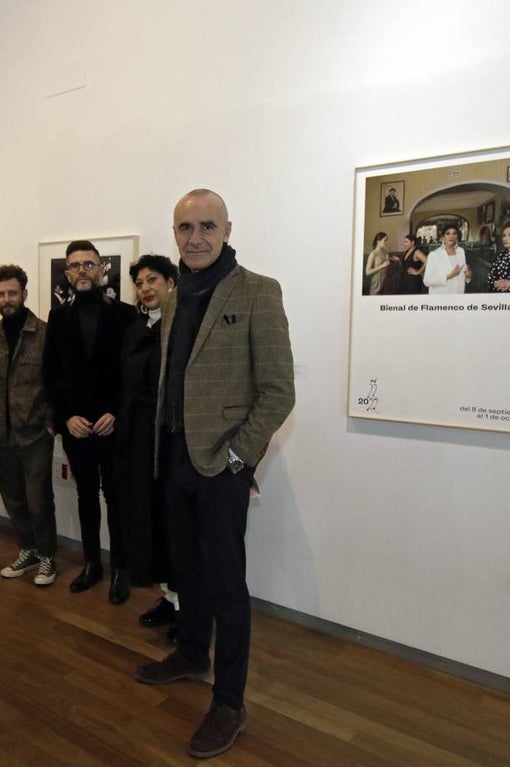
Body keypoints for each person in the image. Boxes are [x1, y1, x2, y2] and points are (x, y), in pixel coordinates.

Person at [134, 189, 294, 759]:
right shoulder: (176, 294)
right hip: (175, 460)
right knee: (186, 570)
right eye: (185, 228)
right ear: (174, 233)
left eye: (207, 226)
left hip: (220, 467)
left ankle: (229, 703)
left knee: (227, 587)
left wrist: (237, 459)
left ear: (227, 230)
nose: (195, 237)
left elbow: (278, 392)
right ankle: (190, 653)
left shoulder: (258, 291)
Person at [44, 241, 138, 602]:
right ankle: (91, 564)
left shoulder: (125, 315)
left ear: (101, 270)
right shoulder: (58, 318)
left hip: (113, 425)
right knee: (85, 495)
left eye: (88, 264)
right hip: (77, 427)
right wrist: (66, 418)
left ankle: (121, 569)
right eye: (74, 266)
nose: (81, 271)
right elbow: (50, 374)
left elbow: (132, 373)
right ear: (67, 274)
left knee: (117, 497)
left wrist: (117, 412)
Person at [117, 255, 181, 642]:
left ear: (171, 282)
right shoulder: (135, 329)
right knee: (151, 523)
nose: (145, 288)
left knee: (176, 526)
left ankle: (189, 610)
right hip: (138, 442)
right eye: (139, 283)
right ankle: (170, 599)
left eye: (152, 279)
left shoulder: (183, 327)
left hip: (170, 442)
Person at [0, 265, 58, 587]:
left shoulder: (44, 333)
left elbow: (55, 382)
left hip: (34, 433)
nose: (6, 299)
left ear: (24, 293)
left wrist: (51, 424)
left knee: (38, 500)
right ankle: (28, 550)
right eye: (1, 294)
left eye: (12, 293)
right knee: (13, 499)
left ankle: (48, 556)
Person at [423, 223, 471, 294]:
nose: (451, 236)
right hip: (442, 296)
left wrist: (468, 276)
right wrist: (449, 276)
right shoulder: (434, 255)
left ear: (457, 237)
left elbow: (463, 274)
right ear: (443, 237)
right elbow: (427, 281)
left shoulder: (461, 251)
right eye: (448, 233)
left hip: (458, 294)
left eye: (454, 233)